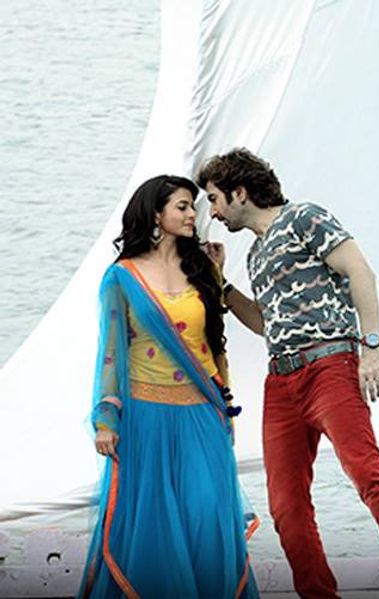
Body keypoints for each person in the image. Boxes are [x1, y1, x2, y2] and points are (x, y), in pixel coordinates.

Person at [197, 148, 379, 599]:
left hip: (330, 366)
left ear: (240, 192)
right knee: (285, 506)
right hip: (281, 381)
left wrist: (372, 347)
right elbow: (266, 323)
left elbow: (360, 272)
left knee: (368, 475)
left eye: (214, 198)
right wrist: (221, 284)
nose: (212, 212)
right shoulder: (254, 254)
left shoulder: (304, 218)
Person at [79, 175, 258, 599]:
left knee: (207, 513)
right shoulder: (121, 278)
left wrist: (226, 407)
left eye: (194, 206)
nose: (193, 214)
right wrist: (106, 419)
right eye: (183, 206)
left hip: (203, 415)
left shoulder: (202, 269)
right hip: (146, 418)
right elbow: (111, 353)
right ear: (156, 213)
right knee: (155, 528)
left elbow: (215, 347)